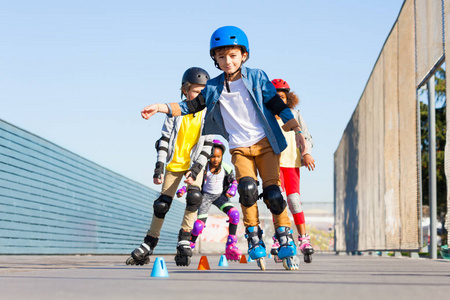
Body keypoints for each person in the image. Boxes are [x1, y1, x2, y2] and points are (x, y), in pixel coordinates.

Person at [140, 26, 307, 271]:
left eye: (232, 55)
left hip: (266, 143)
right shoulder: (214, 86)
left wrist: (296, 129)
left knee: (272, 193)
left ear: (244, 55)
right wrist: (161, 106)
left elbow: (274, 102)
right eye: (221, 57)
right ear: (215, 59)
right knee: (248, 191)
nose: (227, 61)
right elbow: (190, 106)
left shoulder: (257, 76)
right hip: (240, 148)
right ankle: (253, 235)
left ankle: (284, 235)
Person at [126, 67, 213, 267]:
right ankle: (150, 241)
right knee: (162, 204)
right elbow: (164, 140)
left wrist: (197, 169)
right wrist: (159, 168)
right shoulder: (175, 112)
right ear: (185, 90)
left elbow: (208, 144)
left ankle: (184, 238)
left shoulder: (208, 114)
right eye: (197, 92)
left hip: (194, 164)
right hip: (175, 162)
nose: (202, 96)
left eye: (204, 92)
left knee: (194, 198)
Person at [270, 78, 316, 263]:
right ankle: (279, 235)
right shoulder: (266, 116)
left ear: (288, 98)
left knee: (294, 200)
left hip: (292, 163)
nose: (279, 100)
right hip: (273, 163)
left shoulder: (295, 115)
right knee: (277, 200)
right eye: (276, 98)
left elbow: (305, 135)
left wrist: (307, 153)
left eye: (282, 97)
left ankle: (304, 239)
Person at [176, 139, 242, 261]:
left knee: (234, 214)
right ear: (208, 156)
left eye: (218, 157)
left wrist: (232, 188)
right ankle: (190, 244)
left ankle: (231, 245)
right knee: (198, 226)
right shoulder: (203, 168)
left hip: (220, 197)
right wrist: (183, 189)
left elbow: (234, 181)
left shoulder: (226, 168)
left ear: (222, 156)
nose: (215, 159)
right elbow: (193, 181)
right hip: (205, 197)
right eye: (213, 156)